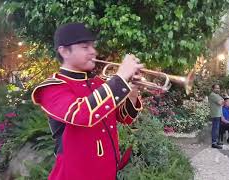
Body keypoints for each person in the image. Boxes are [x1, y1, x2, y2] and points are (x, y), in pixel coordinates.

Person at [31, 22, 144, 180]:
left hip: (107, 173)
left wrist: (132, 89)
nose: (94, 52)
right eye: (85, 47)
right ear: (64, 51)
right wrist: (120, 77)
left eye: (93, 46)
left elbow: (125, 118)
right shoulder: (51, 88)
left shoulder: (99, 83)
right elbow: (82, 114)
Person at [209, 84, 224, 149]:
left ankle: (216, 141)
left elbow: (222, 101)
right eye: (216, 88)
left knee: (217, 129)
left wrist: (222, 100)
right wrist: (222, 100)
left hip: (218, 114)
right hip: (215, 115)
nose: (218, 89)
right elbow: (220, 103)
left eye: (218, 88)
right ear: (213, 89)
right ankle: (214, 143)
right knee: (215, 129)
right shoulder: (212, 95)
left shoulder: (217, 95)